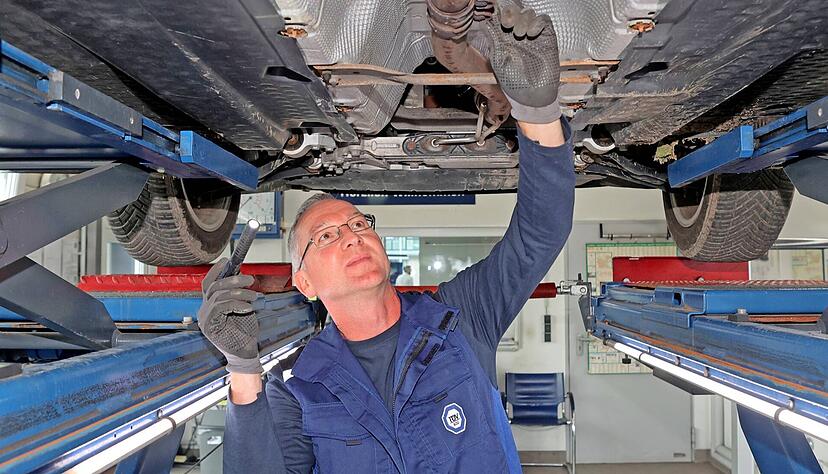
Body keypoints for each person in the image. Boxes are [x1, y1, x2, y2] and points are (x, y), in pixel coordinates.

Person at [198, 5, 575, 473]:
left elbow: (541, 232)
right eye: (327, 236)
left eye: (359, 224)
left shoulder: (461, 318)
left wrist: (537, 109)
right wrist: (242, 369)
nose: (353, 237)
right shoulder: (295, 384)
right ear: (304, 282)